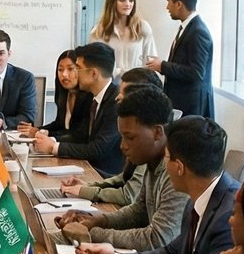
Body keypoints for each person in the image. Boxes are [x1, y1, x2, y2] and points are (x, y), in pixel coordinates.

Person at [72, 116, 236, 254]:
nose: (163, 166)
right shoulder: (200, 195)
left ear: (179, 167)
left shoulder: (228, 217)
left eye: (166, 158)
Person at [55, 87, 184, 251]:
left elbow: (157, 239)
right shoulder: (152, 160)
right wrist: (99, 220)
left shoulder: (176, 171)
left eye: (130, 137)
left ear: (157, 132)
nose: (123, 146)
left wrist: (91, 233)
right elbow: (139, 211)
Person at [50, 67, 165, 205]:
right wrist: (89, 185)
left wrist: (85, 191)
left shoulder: (148, 137)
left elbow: (129, 195)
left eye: (124, 94)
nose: (117, 97)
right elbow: (124, 178)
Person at [32, 42, 124, 176]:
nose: (74, 74)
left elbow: (98, 149)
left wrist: (53, 146)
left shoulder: (115, 101)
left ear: (93, 73)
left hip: (103, 175)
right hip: (86, 169)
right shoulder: (96, 98)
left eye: (78, 68)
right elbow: (81, 136)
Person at [147, 0, 215, 120]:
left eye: (169, 2)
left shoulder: (198, 31)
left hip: (191, 108)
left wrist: (163, 66)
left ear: (179, 4)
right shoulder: (188, 27)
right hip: (183, 104)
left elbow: (196, 73)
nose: (167, 7)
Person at [89, 0, 157, 77]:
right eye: (122, 0)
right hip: (111, 87)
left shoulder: (143, 28)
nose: (128, 4)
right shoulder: (98, 31)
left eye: (131, 0)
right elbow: (95, 65)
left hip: (138, 85)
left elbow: (151, 62)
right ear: (113, 2)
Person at [28, 50, 85, 137]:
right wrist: (38, 129)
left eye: (70, 69)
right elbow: (59, 124)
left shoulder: (89, 97)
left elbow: (78, 134)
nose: (64, 74)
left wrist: (43, 133)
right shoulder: (64, 94)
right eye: (60, 70)